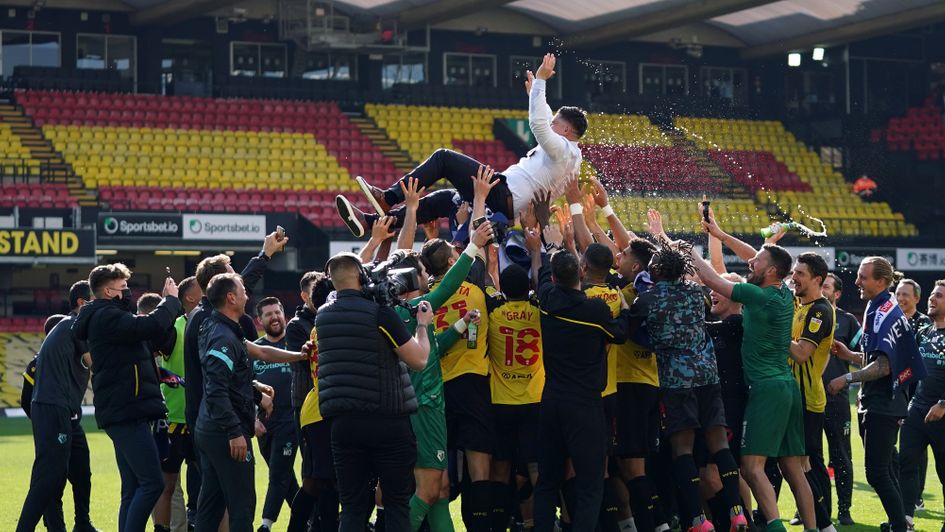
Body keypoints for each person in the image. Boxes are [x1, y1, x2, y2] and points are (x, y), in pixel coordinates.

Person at [336, 53, 586, 236]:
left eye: (556, 123)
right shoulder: (571, 156)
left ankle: (388, 198)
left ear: (565, 130)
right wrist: (535, 98)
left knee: (444, 158)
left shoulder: (562, 150)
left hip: (503, 195)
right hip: (506, 205)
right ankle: (372, 223)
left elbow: (540, 126)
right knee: (444, 199)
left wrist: (541, 82)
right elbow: (546, 121)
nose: (551, 124)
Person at [691, 209, 816, 532]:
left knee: (751, 467)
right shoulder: (782, 292)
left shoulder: (755, 296)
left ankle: (773, 528)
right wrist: (720, 236)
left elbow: (709, 279)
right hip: (787, 387)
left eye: (757, 262)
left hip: (765, 389)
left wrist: (688, 252)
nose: (751, 263)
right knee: (792, 468)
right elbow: (756, 257)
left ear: (771, 270)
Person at [631, 240, 747, 532]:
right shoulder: (698, 293)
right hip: (708, 377)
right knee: (720, 445)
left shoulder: (646, 298)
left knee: (682, 450)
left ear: (655, 269)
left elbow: (631, 334)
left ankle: (697, 519)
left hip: (675, 382)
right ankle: (738, 513)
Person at [315, 251, 434, 531]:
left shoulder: (322, 316)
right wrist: (422, 326)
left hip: (343, 424)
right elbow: (418, 360)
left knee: (353, 507)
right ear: (360, 276)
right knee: (396, 503)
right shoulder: (380, 313)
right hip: (387, 420)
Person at [531, 225, 629, 532]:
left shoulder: (547, 299)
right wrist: (624, 309)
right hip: (585, 405)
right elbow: (621, 335)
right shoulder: (595, 308)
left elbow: (544, 275)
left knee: (547, 482)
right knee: (590, 485)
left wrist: (550, 246)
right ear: (582, 273)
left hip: (551, 401)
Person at [72, 263, 182, 532]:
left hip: (125, 410)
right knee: (152, 483)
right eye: (123, 287)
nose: (128, 292)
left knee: (132, 488)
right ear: (109, 291)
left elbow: (152, 335)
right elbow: (151, 324)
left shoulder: (110, 316)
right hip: (126, 410)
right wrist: (170, 301)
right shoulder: (106, 317)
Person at [194, 274, 308, 532]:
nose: (247, 294)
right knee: (242, 505)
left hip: (210, 429)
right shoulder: (223, 336)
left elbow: (262, 351)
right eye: (242, 290)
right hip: (225, 432)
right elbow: (215, 390)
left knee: (211, 506)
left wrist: (300, 356)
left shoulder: (219, 326)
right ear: (231, 298)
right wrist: (235, 431)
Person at [827, 258, 927, 532]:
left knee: (878, 473)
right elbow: (878, 359)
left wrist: (846, 377)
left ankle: (900, 526)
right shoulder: (879, 305)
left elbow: (884, 367)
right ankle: (901, 524)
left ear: (881, 282)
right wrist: (850, 356)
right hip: (883, 401)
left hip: (884, 403)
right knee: (885, 470)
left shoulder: (884, 310)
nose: (857, 282)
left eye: (863, 277)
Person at [17, 281, 98, 532]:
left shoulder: (71, 326)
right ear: (82, 304)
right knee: (49, 477)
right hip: (54, 408)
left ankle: (81, 524)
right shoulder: (76, 325)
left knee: (78, 472)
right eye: (98, 299)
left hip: (63, 411)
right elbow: (93, 362)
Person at [613, 237, 671, 532]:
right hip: (649, 384)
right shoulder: (659, 293)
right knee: (627, 466)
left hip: (629, 385)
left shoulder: (627, 294)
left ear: (636, 266)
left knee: (633, 468)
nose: (617, 255)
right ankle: (637, 524)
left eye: (622, 253)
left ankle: (655, 525)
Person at [485, 263, 544, 532]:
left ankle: (498, 524)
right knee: (535, 467)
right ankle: (536, 523)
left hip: (501, 402)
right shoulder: (539, 312)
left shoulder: (493, 313)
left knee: (500, 467)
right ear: (528, 288)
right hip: (534, 400)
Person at [785, 253, 837, 532]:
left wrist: (775, 330)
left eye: (800, 273)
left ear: (817, 279)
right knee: (799, 464)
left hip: (806, 398)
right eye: (794, 271)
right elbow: (765, 265)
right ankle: (819, 523)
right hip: (791, 394)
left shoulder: (821, 310)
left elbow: (803, 354)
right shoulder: (797, 302)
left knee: (802, 465)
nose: (794, 277)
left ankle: (824, 524)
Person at [289, 273, 339, 532]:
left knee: (316, 482)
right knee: (325, 482)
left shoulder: (319, 326)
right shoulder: (328, 326)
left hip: (316, 411)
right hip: (321, 413)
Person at [152, 276, 202, 532]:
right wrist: (166, 301)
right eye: (201, 290)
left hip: (202, 419)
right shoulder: (174, 329)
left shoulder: (211, 326)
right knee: (167, 484)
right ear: (190, 298)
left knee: (208, 481)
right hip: (173, 419)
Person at [900, 280, 945, 531]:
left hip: (942, 413)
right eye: (931, 295)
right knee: (906, 465)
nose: (932, 299)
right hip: (916, 410)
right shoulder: (924, 332)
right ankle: (905, 519)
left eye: (938, 296)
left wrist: (943, 404)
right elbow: (908, 371)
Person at [252, 297, 298, 532]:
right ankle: (309, 519)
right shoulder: (255, 349)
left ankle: (265, 524)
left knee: (279, 472)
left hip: (291, 421)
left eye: (277, 312)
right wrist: (253, 418)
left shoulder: (296, 345)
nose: (274, 317)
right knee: (284, 475)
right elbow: (242, 387)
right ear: (260, 320)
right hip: (264, 425)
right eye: (268, 314)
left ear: (284, 315)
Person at [820, 273, 859, 525]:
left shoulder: (848, 320)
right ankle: (811, 509)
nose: (821, 289)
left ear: (837, 293)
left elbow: (863, 355)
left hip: (837, 399)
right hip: (808, 398)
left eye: (826, 286)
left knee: (841, 455)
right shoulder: (801, 314)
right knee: (808, 458)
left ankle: (844, 510)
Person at [895, 278, 932, 514]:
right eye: (898, 293)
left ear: (917, 298)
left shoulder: (925, 324)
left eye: (905, 294)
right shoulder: (895, 321)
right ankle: (907, 496)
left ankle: (916, 495)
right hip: (901, 391)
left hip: (920, 393)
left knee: (920, 448)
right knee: (906, 449)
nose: (900, 298)